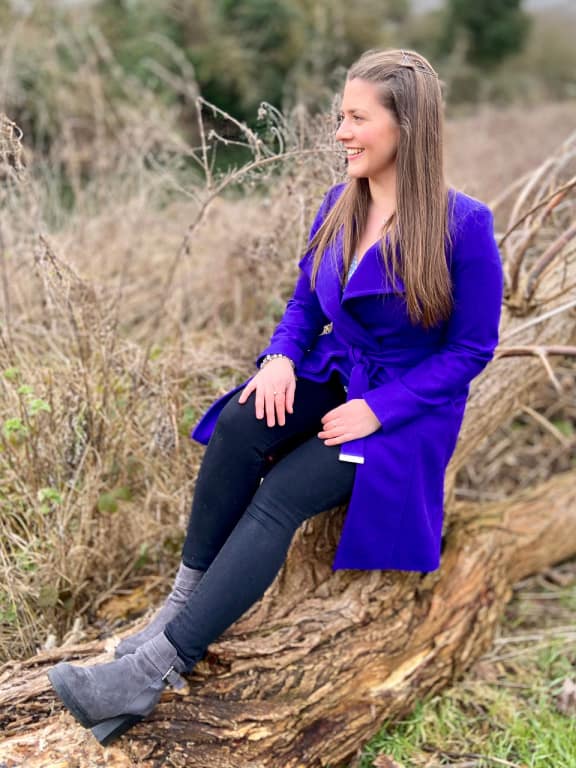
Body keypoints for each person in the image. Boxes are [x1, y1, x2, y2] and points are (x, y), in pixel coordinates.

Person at [47, 48, 504, 745]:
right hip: (335, 370)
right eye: (339, 116)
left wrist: (380, 411)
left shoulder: (463, 225)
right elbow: (303, 303)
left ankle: (152, 672)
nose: (341, 132)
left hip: (403, 411)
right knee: (240, 421)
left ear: (406, 127)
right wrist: (282, 358)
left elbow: (471, 350)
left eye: (357, 118)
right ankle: (173, 614)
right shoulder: (340, 203)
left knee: (282, 494)